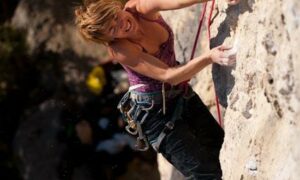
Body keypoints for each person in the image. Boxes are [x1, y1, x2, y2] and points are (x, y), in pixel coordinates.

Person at [75, 0, 239, 179]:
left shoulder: (139, 8)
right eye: (113, 29)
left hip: (180, 94)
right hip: (156, 117)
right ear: (110, 39)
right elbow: (169, 75)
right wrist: (209, 57)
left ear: (116, 7)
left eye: (115, 17)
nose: (121, 24)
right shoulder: (121, 49)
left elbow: (176, 1)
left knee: (218, 144)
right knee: (206, 174)